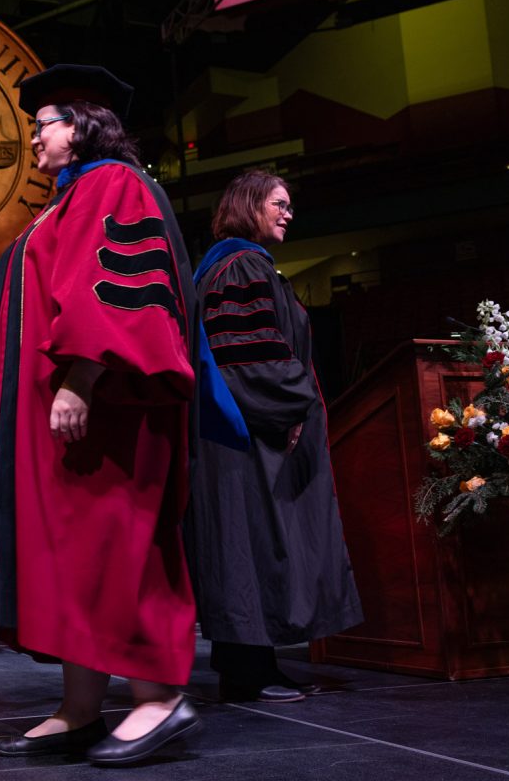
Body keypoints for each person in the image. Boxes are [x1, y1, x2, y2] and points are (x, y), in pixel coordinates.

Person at [0, 64, 201, 767]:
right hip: (68, 420)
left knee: (119, 547)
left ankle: (160, 697)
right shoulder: (62, 206)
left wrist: (83, 375)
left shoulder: (117, 186)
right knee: (76, 561)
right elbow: (17, 311)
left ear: (81, 126)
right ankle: (81, 708)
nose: (33, 143)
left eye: (41, 128)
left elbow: (119, 293)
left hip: (104, 416)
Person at [184, 170, 363, 703]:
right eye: (278, 204)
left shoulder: (233, 264)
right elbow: (251, 358)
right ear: (249, 206)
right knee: (251, 545)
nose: (288, 213)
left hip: (239, 432)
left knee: (247, 546)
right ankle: (248, 672)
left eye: (290, 204)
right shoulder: (240, 266)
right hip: (248, 435)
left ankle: (249, 665)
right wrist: (294, 404)